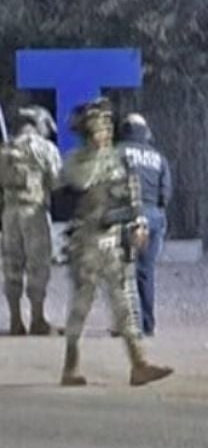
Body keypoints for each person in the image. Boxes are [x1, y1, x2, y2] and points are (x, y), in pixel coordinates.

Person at [57, 98, 171, 387]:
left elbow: (131, 193)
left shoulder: (118, 159)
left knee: (126, 302)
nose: (104, 133)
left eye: (107, 127)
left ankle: (139, 364)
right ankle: (70, 366)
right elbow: (77, 184)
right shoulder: (75, 162)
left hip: (113, 242)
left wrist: (139, 223)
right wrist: (98, 157)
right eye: (98, 128)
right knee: (81, 306)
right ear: (86, 132)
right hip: (86, 244)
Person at [0, 105, 62, 335]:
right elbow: (57, 181)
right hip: (35, 212)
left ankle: (15, 320)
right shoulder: (45, 148)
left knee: (12, 266)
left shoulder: (3, 151)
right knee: (37, 266)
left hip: (10, 213)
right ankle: (38, 318)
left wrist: (1, 211)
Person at [116, 113, 172, 337]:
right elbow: (165, 194)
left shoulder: (115, 153)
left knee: (123, 272)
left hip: (126, 214)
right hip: (154, 216)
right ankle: (147, 325)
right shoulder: (158, 157)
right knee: (145, 272)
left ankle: (130, 325)